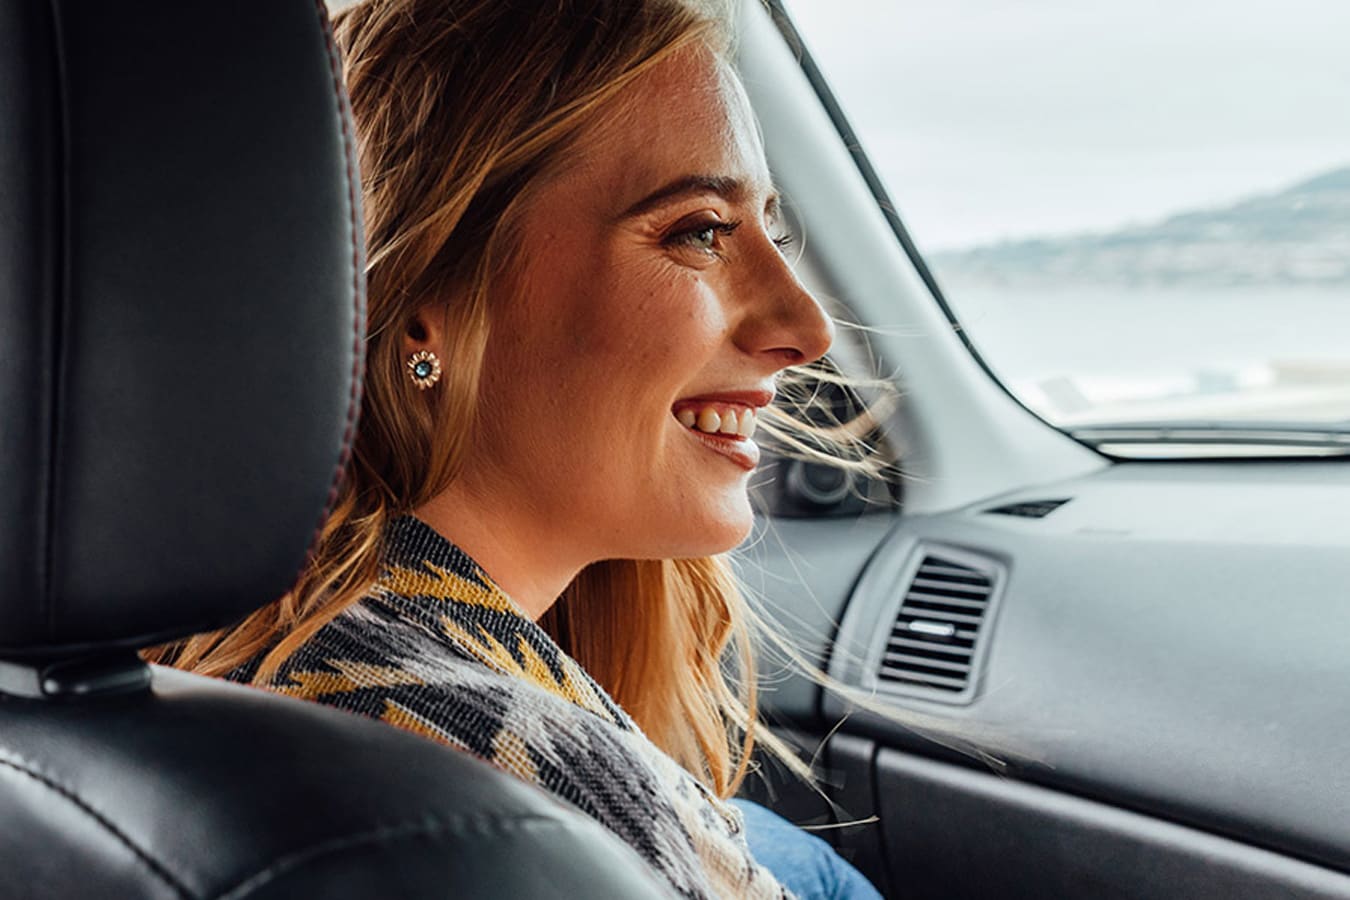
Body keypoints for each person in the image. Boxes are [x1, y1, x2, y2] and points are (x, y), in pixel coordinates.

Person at [148, 0, 883, 897]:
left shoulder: (221, 632)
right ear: (430, 309)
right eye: (699, 232)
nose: (806, 329)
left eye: (769, 227)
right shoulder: (515, 802)